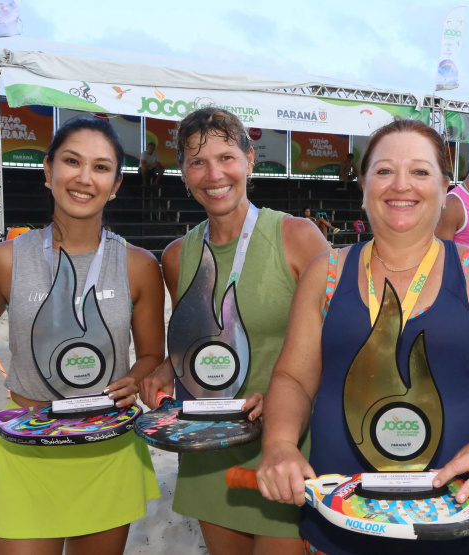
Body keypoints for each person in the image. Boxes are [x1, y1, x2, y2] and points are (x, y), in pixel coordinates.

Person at [256, 119, 469, 555]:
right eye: (384, 170)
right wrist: (278, 445)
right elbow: (293, 377)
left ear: (446, 186)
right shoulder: (325, 273)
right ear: (364, 183)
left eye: (421, 172)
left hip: (455, 523)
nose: (401, 185)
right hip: (342, 525)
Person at [0, 117, 165, 554]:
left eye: (100, 167)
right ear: (47, 170)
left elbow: (152, 354)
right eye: (72, 162)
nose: (83, 178)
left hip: (107, 449)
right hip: (26, 447)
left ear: (115, 185)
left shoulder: (140, 265)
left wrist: (137, 376)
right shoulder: (3, 261)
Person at [140, 107, 329, 555]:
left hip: (288, 446)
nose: (213, 173)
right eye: (197, 162)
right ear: (183, 174)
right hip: (209, 449)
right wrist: (166, 370)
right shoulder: (175, 257)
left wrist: (282, 397)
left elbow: (337, 342)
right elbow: (197, 345)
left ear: (249, 160)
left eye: (226, 157)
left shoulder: (298, 238)